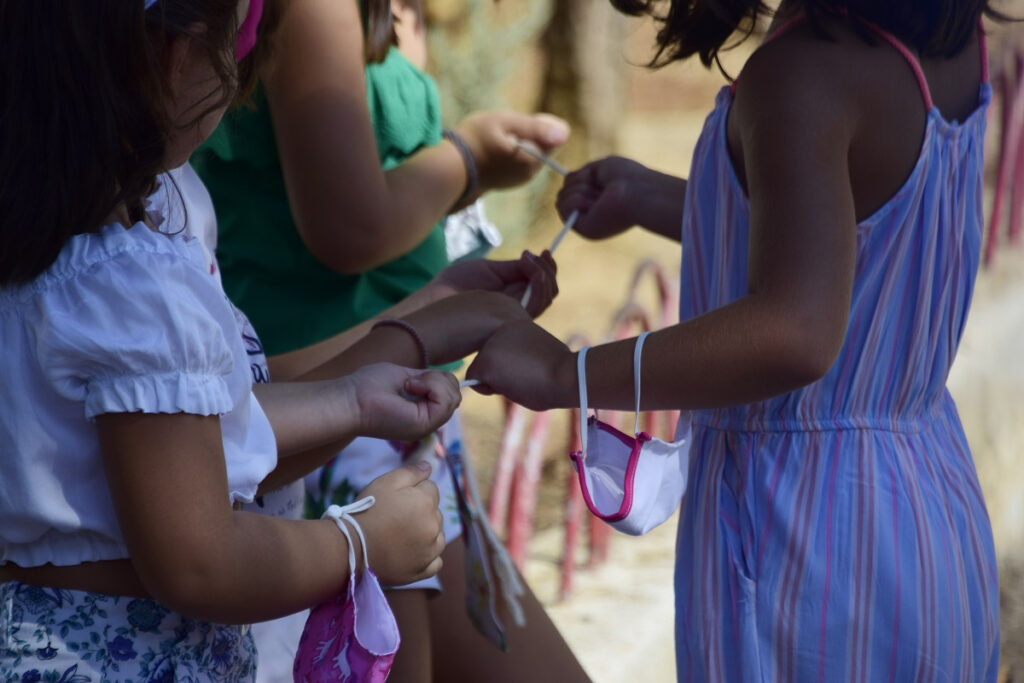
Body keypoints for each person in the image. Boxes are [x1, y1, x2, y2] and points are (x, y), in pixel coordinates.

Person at [467, 0, 1003, 680]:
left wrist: (559, 373)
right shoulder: (937, 42)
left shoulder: (802, 73)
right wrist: (651, 197)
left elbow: (796, 331)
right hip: (926, 511)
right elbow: (843, 232)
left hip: (805, 546)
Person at [0, 2, 473, 680]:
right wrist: (361, 541)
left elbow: (191, 439)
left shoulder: (48, 253)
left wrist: (353, 399)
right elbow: (199, 560)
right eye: (236, 49)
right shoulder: (136, 287)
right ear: (174, 57)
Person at [191, 1, 590, 682]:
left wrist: (442, 304)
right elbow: (348, 224)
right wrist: (467, 158)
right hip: (335, 421)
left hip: (394, 397)